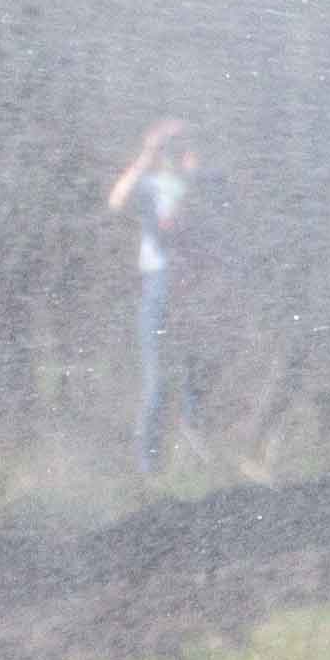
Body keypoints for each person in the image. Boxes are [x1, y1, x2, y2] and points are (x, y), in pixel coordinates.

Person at [107, 116, 208, 480]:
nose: (175, 151)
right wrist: (146, 153)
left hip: (193, 284)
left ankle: (192, 451)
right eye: (170, 145)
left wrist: (192, 166)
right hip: (159, 283)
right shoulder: (148, 185)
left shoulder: (196, 184)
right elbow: (116, 202)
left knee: (197, 369)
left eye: (178, 144)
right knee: (158, 379)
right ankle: (149, 465)